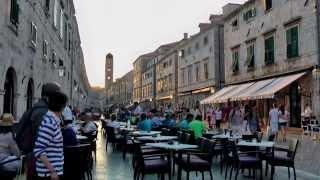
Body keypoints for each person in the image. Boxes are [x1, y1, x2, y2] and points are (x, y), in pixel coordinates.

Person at [33, 85, 68, 180]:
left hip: (54, 171)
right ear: (63, 106)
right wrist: (52, 171)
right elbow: (39, 150)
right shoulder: (50, 123)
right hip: (48, 174)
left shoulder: (53, 121)